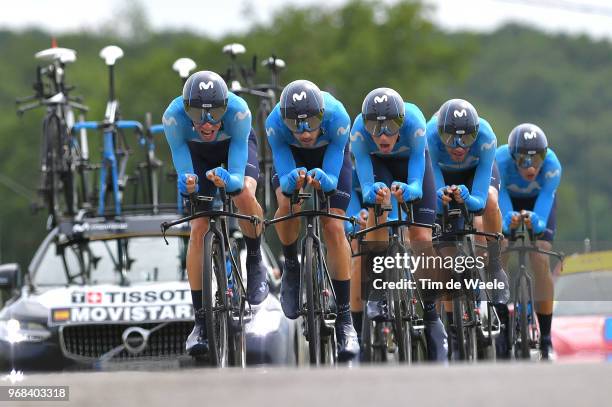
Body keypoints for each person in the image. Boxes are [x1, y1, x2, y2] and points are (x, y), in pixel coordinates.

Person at [163, 70, 269, 357]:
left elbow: (236, 174)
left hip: (233, 150)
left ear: (226, 107)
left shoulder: (239, 113)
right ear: (186, 110)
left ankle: (255, 259)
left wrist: (230, 181)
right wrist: (189, 183)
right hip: (197, 155)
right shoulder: (172, 118)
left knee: (244, 192)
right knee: (199, 229)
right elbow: (185, 173)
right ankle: (200, 321)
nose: (207, 123)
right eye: (197, 115)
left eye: (214, 113)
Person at [351, 87, 447, 362]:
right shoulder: (357, 133)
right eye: (375, 128)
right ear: (366, 125)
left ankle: (431, 317)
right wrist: (372, 193)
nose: (383, 136)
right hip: (380, 167)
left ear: (402, 122)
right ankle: (379, 287)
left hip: (413, 170)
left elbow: (418, 175)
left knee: (421, 239)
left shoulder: (415, 122)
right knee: (379, 212)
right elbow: (367, 182)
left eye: (391, 127)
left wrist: (412, 189)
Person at [266, 79, 359, 361]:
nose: (305, 132)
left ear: (322, 115)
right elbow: (283, 168)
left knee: (333, 224)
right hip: (291, 158)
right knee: (285, 200)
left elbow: (332, 172)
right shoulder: (275, 123)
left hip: (330, 155)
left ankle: (345, 318)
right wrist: (290, 181)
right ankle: (292, 265)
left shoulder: (338, 117)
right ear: (285, 120)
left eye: (311, 122)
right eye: (297, 124)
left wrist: (326, 180)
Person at [426, 98, 510, 358]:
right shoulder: (428, 137)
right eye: (450, 139)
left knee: (491, 203)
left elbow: (480, 200)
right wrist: (445, 198)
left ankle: (494, 265)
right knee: (448, 254)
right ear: (440, 133)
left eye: (466, 138)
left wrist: (469, 199)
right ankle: (453, 331)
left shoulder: (486, 136)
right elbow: (436, 199)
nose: (459, 146)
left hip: (475, 177)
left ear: (476, 133)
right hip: (444, 176)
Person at [497, 123, 561, 359]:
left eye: (538, 159)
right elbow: (499, 199)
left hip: (538, 206)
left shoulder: (552, 166)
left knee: (540, 255)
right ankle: (502, 329)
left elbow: (544, 206)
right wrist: (507, 222)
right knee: (500, 250)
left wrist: (537, 223)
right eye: (524, 160)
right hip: (508, 203)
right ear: (513, 156)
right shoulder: (499, 161)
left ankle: (546, 338)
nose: (532, 166)